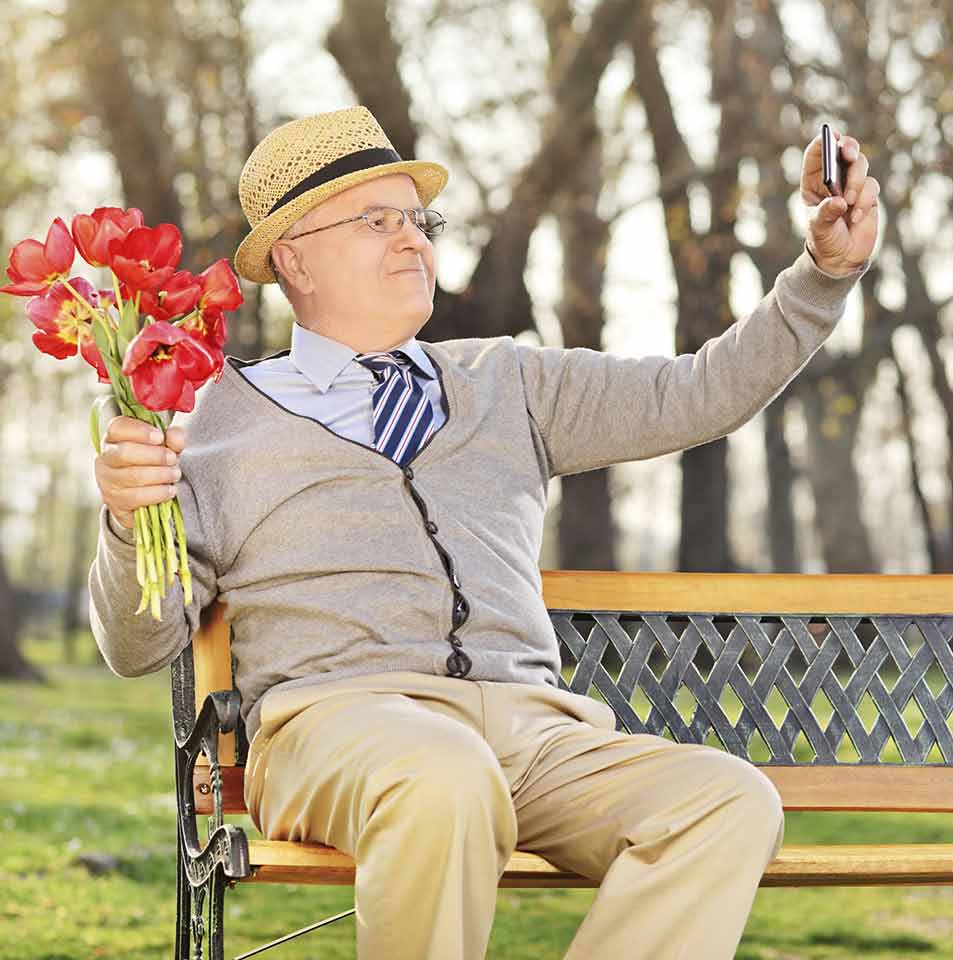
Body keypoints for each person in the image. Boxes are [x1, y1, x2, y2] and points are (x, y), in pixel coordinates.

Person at [89, 105, 881, 959]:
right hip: (340, 724)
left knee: (726, 799)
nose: (414, 242)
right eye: (376, 221)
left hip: (535, 734)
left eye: (418, 220)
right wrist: (129, 520)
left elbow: (700, 392)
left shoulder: (510, 381)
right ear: (293, 259)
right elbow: (139, 644)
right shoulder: (210, 424)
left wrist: (820, 275)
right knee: (441, 773)